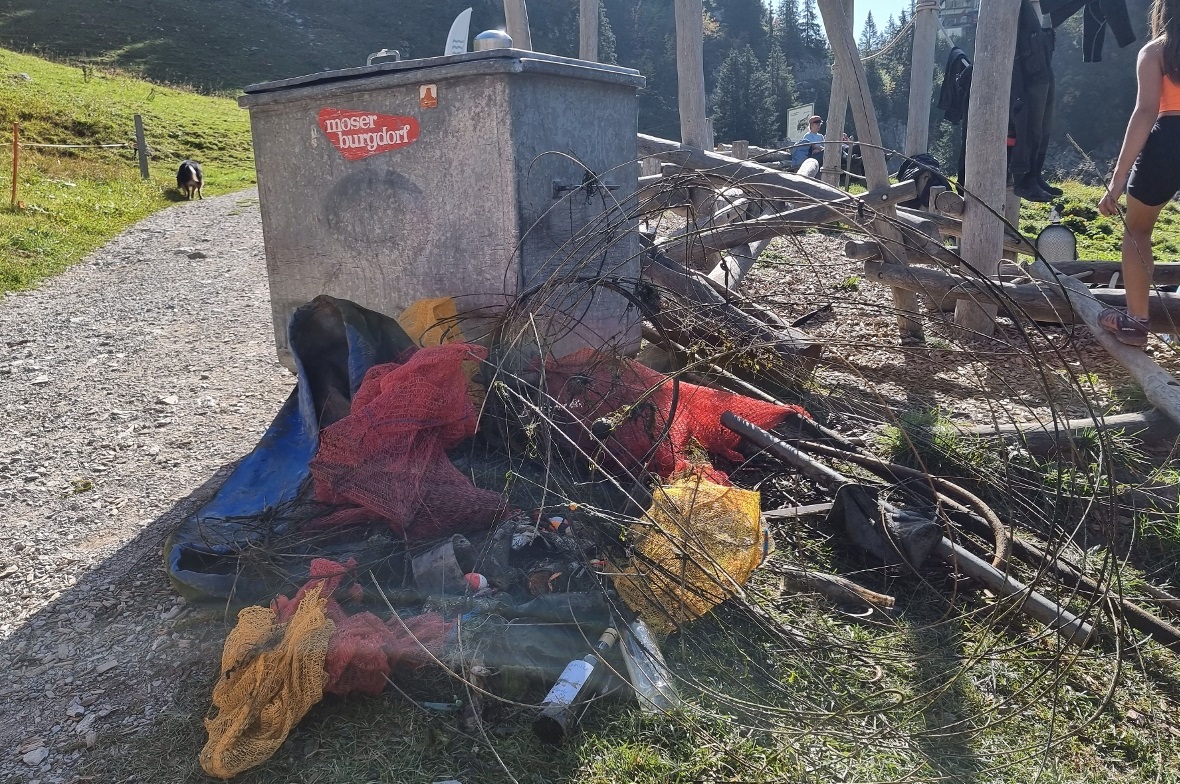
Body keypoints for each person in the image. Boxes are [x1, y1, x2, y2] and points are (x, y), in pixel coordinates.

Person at [1097, 0, 1180, 347]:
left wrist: (1116, 181)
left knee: (1137, 231)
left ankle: (1136, 323)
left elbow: (1145, 111)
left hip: (1168, 144)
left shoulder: (1157, 52)